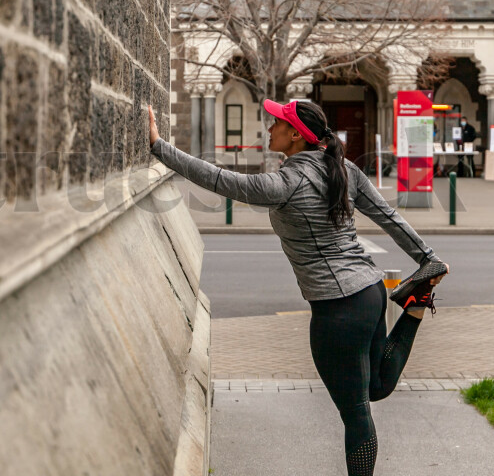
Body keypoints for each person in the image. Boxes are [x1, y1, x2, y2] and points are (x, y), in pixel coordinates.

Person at [147, 100, 448, 476]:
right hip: (369, 292)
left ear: (295, 135)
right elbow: (388, 216)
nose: (269, 128)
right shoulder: (344, 168)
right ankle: (415, 306)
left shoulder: (287, 183)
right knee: (375, 388)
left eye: (276, 123)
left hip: (338, 309)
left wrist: (160, 147)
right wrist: (427, 258)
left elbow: (220, 179)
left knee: (356, 413)